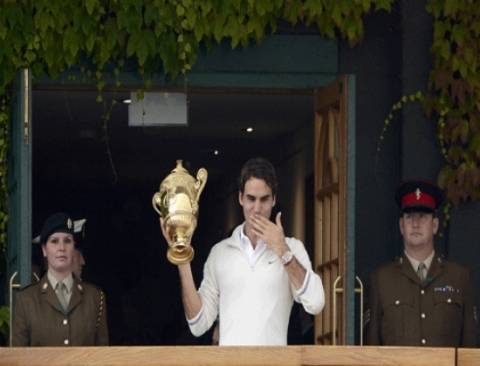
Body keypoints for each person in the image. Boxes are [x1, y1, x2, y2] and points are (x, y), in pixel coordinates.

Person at [160, 157, 325, 345]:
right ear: (240, 198)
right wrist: (182, 258)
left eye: (264, 199)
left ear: (274, 200)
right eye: (250, 199)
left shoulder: (292, 248)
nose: (257, 209)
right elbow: (198, 324)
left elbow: (316, 303)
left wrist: (281, 249)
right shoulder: (219, 253)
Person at [367, 179, 477, 347]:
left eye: (422, 216)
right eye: (409, 217)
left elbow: (471, 350)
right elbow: (370, 352)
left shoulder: (459, 277)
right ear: (401, 226)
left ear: (434, 225)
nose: (415, 224)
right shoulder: (381, 280)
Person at [12, 212, 109, 346]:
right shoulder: (26, 300)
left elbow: (103, 358)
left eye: (68, 241)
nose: (62, 248)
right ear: (44, 249)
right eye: (54, 241)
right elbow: (18, 360)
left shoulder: (95, 298)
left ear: (73, 247)